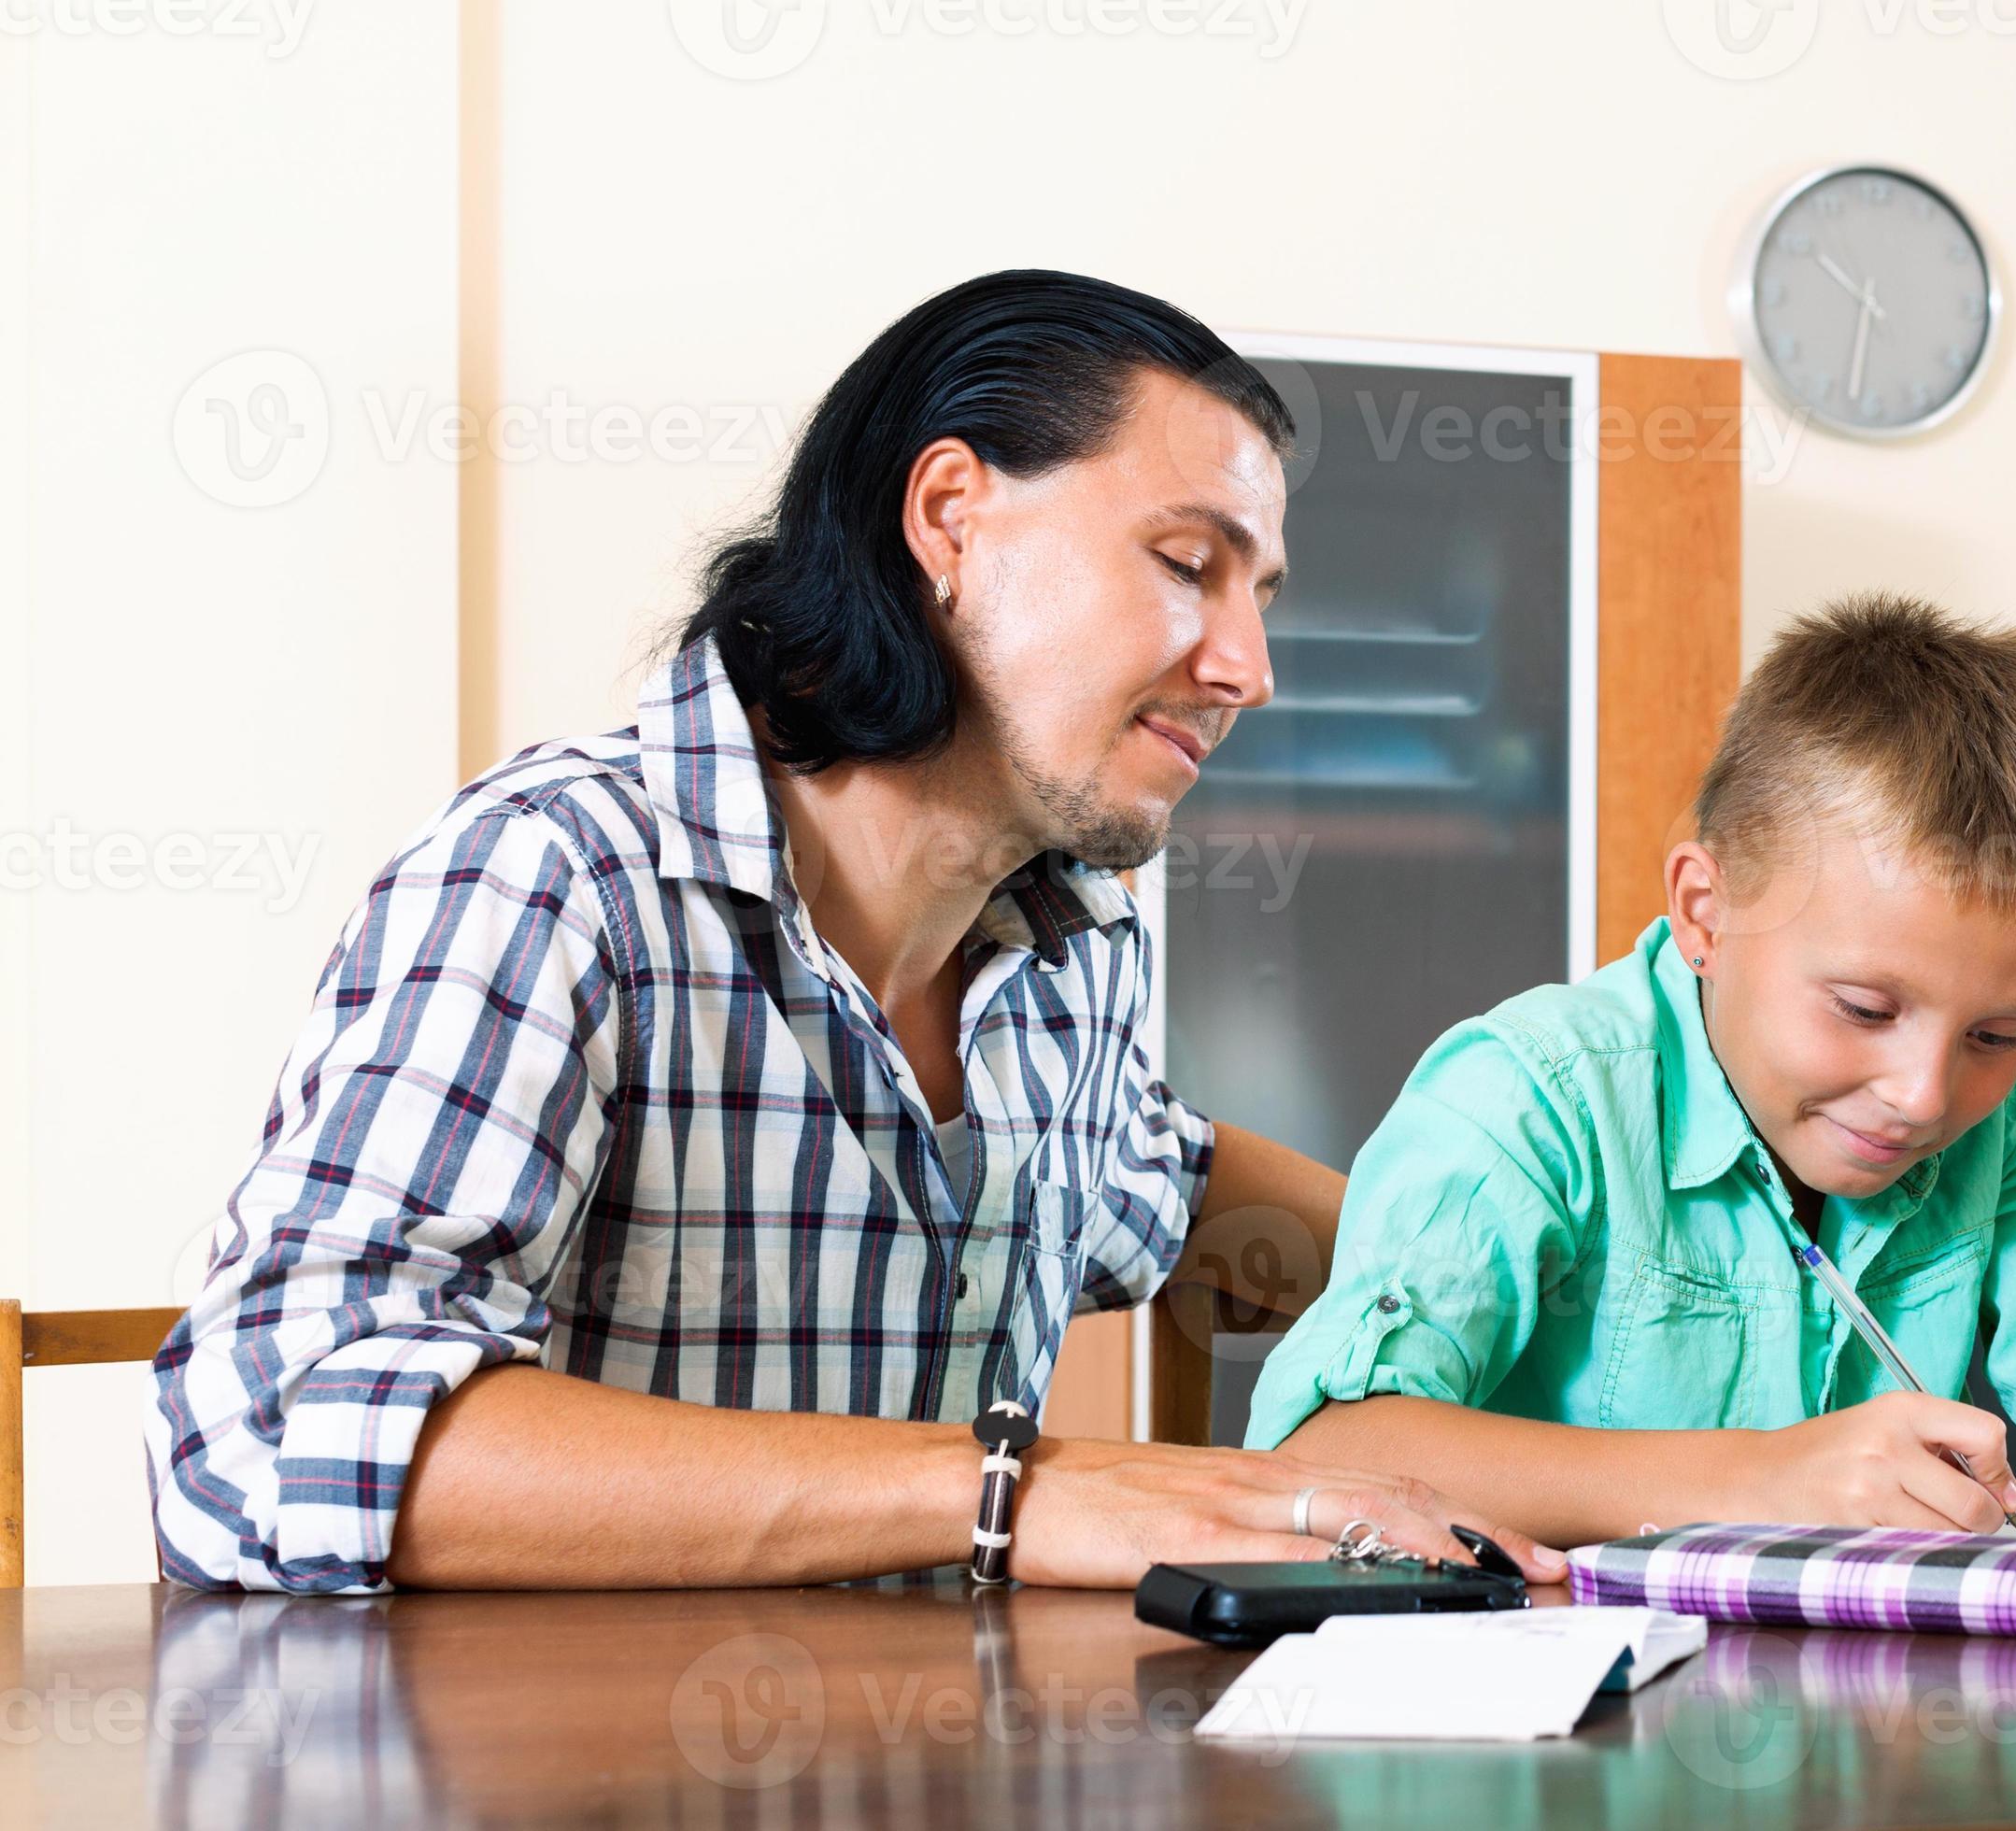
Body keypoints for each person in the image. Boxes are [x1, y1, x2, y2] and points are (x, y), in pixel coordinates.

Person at [149, 269, 1559, 1593]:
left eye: (1263, 598)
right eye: (1190, 563)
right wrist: (1019, 1490)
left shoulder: (1075, 950)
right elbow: (265, 1433)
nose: (1247, 667)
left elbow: (1173, 1195)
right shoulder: (559, 875)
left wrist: (1580, 1268)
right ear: (950, 518)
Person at [1247, 595, 2016, 1577]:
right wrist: (1760, 1477)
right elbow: (1317, 1451)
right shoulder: (1531, 1097)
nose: (1923, 1093)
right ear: (1705, 911)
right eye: (1864, 1009)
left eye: (1995, 1031)